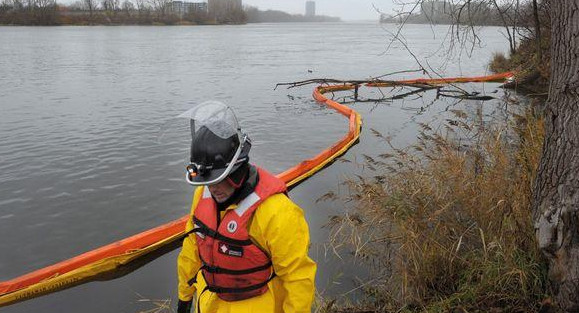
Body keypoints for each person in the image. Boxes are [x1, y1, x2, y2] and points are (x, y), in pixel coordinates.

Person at [176, 101, 317, 313]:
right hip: (210, 304)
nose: (213, 189)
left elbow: (298, 278)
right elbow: (191, 252)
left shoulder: (277, 212)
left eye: (220, 179)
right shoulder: (202, 196)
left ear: (237, 169)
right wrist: (184, 298)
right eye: (208, 181)